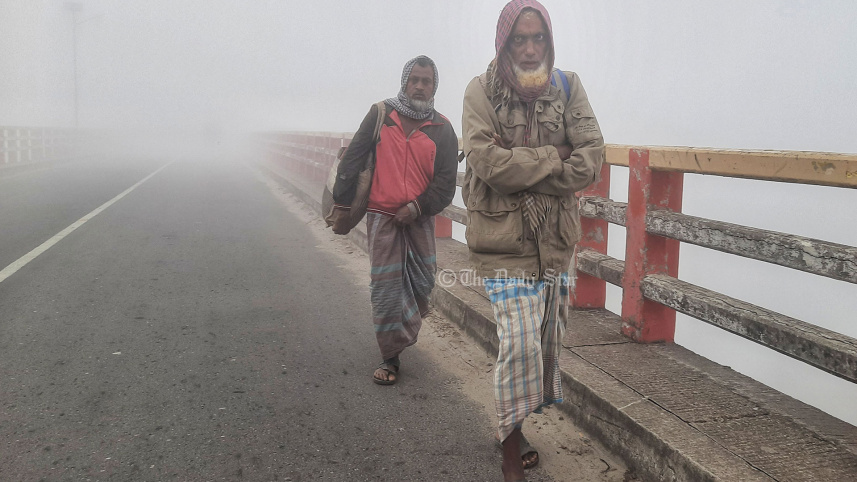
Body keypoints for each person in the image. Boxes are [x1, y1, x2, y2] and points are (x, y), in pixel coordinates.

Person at [461, 1, 605, 480]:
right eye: (518, 39)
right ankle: (509, 443)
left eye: (536, 38)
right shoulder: (480, 92)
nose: (528, 49)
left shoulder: (569, 87)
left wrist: (527, 162)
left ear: (549, 40)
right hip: (502, 242)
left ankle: (517, 420)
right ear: (504, 42)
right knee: (519, 344)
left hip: (556, 243)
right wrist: (554, 154)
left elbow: (592, 157)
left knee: (545, 343)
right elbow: (488, 165)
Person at [330, 55, 459, 386]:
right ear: (404, 82)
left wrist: (416, 207)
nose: (419, 85)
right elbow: (354, 157)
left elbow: (445, 184)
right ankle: (390, 356)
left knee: (422, 285)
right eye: (413, 79)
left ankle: (403, 333)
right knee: (386, 289)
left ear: (434, 87)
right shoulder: (380, 114)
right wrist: (342, 204)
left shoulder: (443, 129)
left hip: (419, 220)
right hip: (382, 218)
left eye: (426, 81)